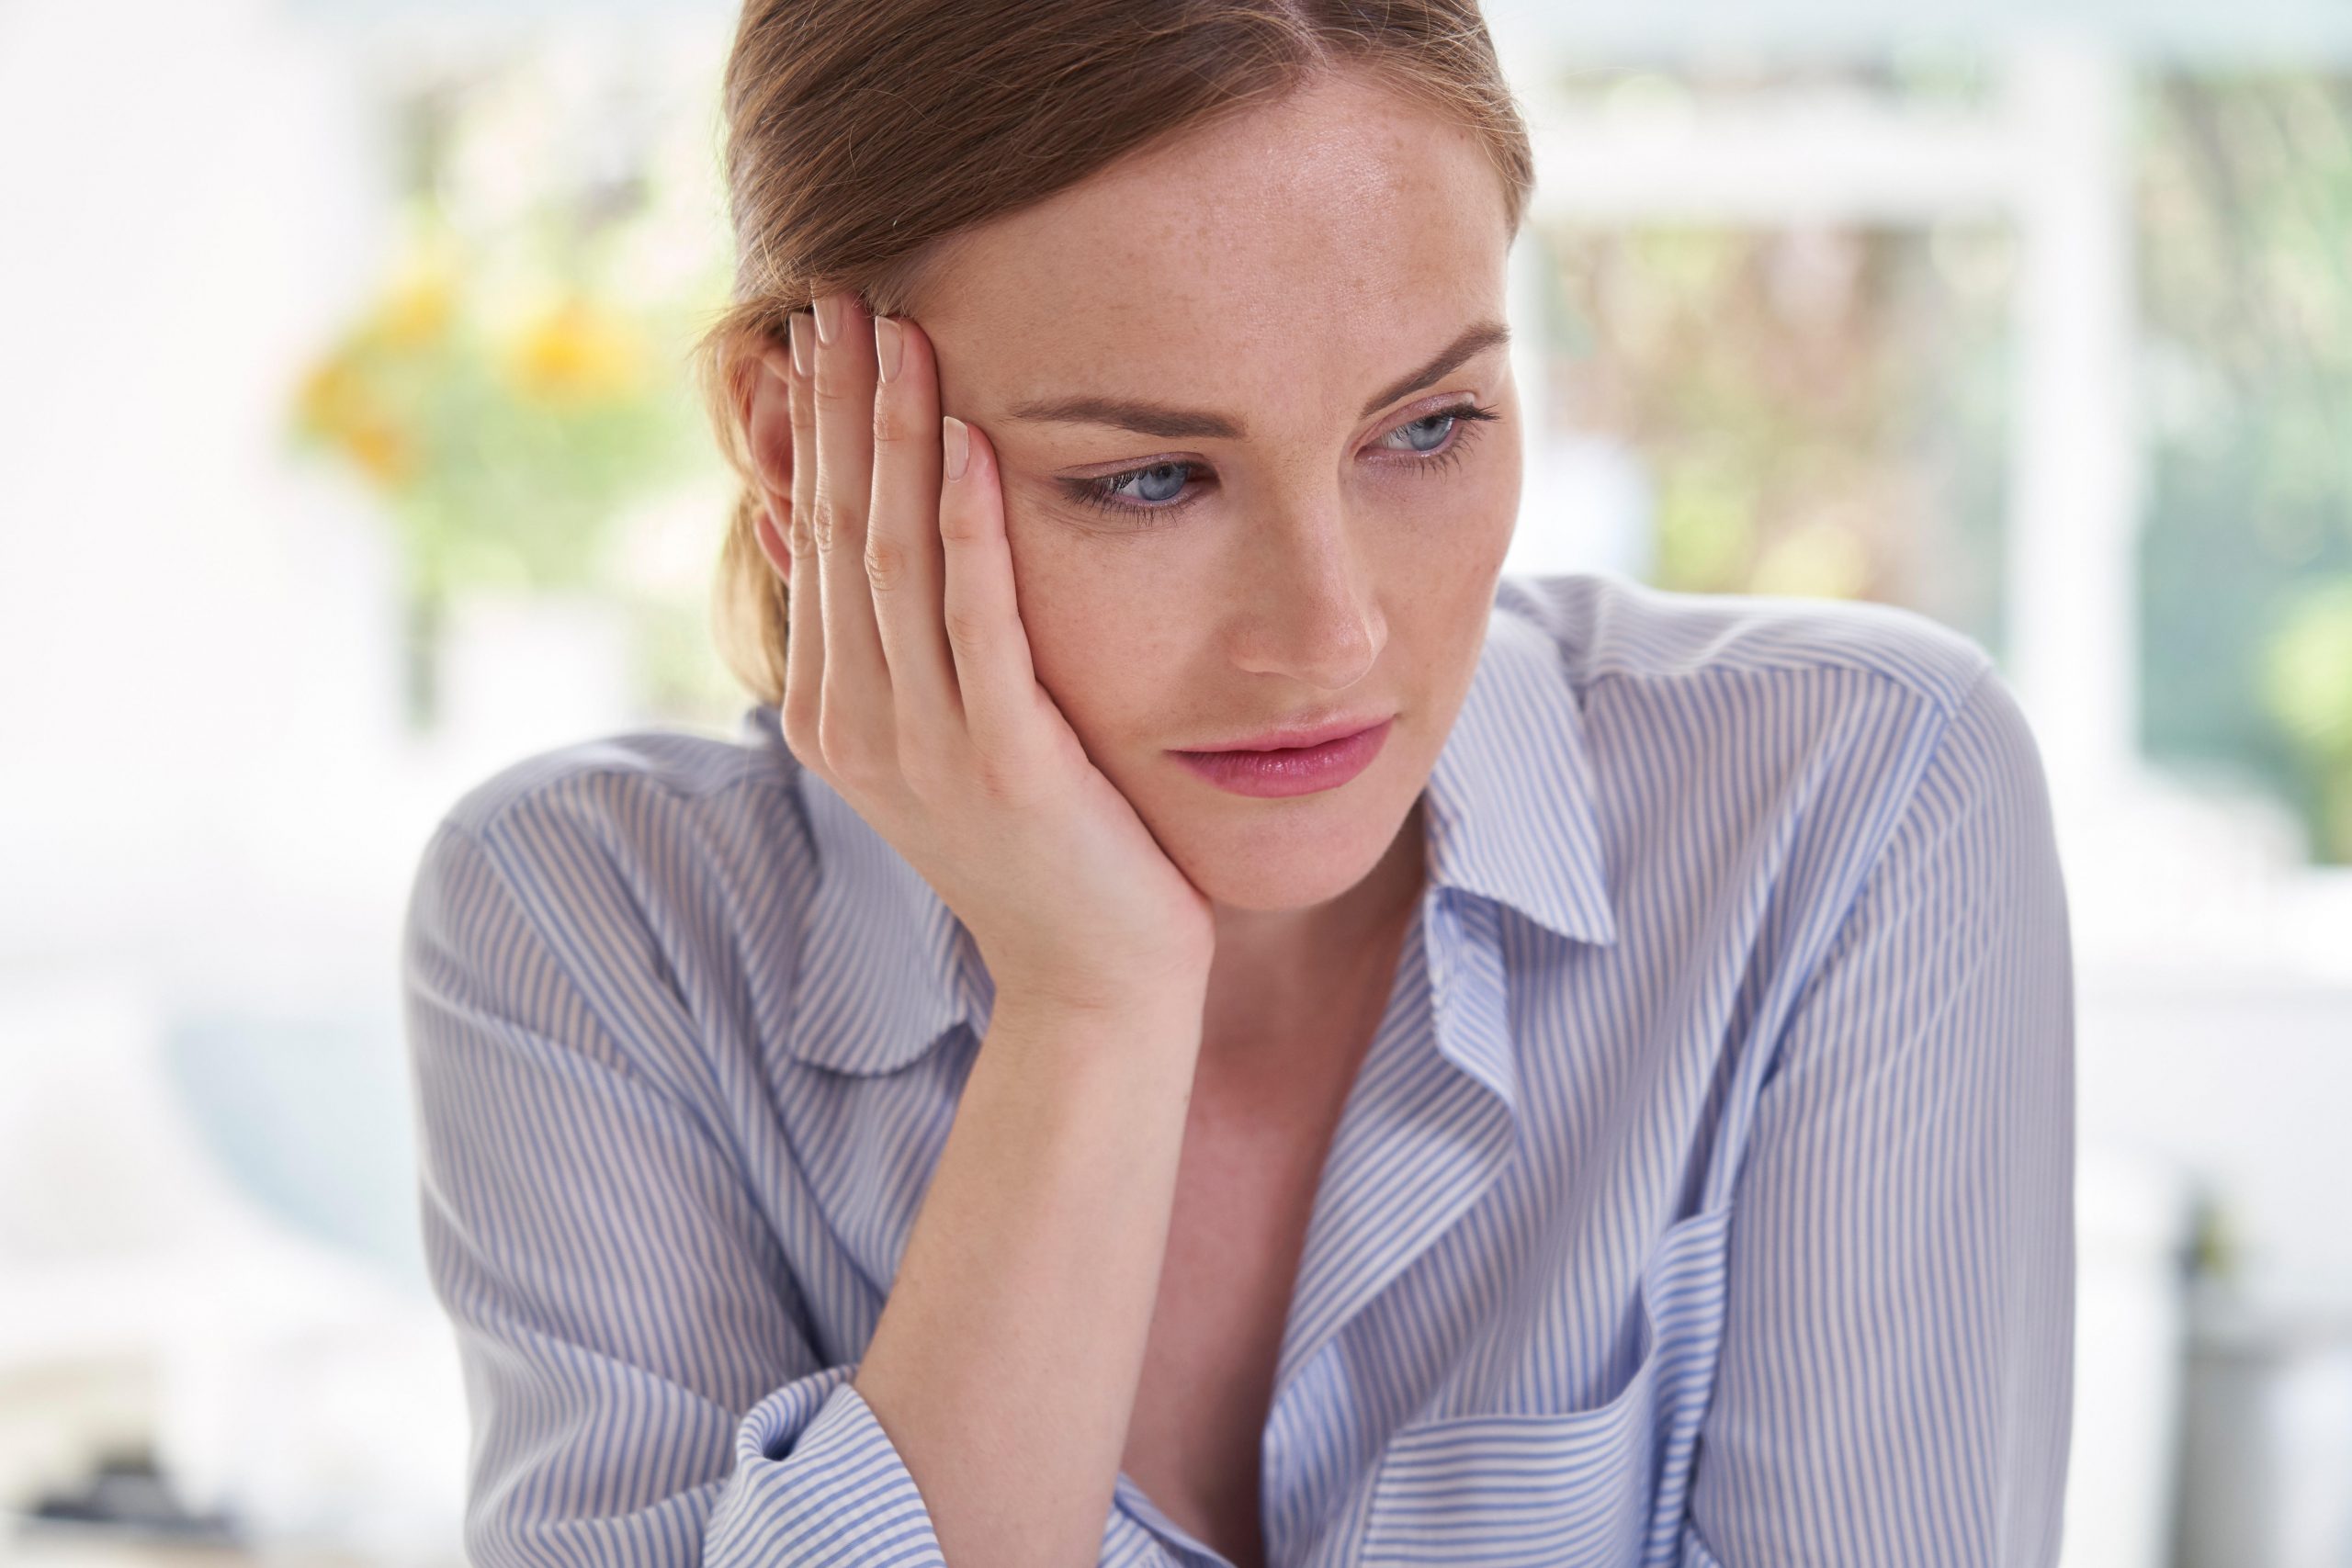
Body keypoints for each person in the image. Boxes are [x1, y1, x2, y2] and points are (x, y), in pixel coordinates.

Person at [399, 2, 2076, 1564]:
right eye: (1146, 478)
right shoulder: (585, 922)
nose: (1330, 634)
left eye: (1425, 430)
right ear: (800, 444)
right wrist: (1095, 1000)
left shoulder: (1854, 803)